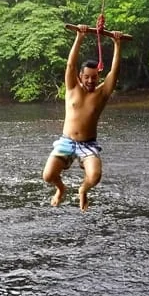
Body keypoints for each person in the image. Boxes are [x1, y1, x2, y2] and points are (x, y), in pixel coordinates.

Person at [42, 24, 125, 211]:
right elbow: (70, 64)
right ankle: (61, 189)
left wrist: (117, 44)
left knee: (95, 176)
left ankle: (83, 190)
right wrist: (79, 36)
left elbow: (115, 72)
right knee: (48, 176)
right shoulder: (72, 89)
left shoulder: (102, 93)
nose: (90, 80)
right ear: (80, 76)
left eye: (94, 77)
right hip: (67, 142)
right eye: (86, 77)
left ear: (98, 76)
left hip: (88, 144)